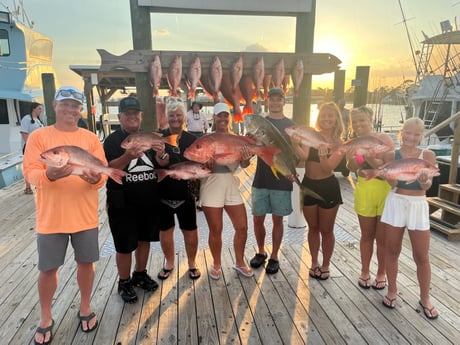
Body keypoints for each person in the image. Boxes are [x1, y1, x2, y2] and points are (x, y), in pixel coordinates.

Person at [23, 86, 106, 345]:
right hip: (51, 218)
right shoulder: (39, 136)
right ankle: (45, 317)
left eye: (75, 106)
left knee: (86, 263)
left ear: (81, 110)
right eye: (65, 104)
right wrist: (48, 175)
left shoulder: (91, 138)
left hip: (84, 215)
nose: (70, 110)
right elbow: (30, 171)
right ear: (54, 105)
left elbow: (101, 175)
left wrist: (95, 179)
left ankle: (84, 306)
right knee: (48, 269)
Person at [104, 96, 167, 303]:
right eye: (127, 114)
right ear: (120, 117)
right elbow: (110, 169)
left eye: (135, 113)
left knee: (144, 240)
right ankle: (124, 281)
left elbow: (160, 166)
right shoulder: (113, 141)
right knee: (124, 245)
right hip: (121, 201)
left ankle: (140, 274)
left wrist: (162, 155)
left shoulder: (148, 137)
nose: (132, 117)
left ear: (140, 116)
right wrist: (127, 156)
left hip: (148, 199)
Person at [380, 118, 438, 319]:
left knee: (422, 255)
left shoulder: (428, 155)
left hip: (418, 205)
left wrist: (423, 182)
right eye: (408, 133)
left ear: (422, 135)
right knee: (392, 250)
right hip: (396, 201)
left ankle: (425, 298)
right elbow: (391, 183)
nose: (411, 138)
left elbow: (426, 186)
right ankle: (392, 290)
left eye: (416, 134)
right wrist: (389, 178)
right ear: (401, 132)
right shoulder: (391, 154)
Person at [290, 102, 345, 280]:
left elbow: (328, 168)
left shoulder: (339, 144)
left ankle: (326, 264)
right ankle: (314, 261)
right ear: (318, 117)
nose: (326, 118)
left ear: (337, 119)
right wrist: (295, 144)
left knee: (326, 230)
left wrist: (322, 154)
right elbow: (304, 156)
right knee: (313, 228)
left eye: (330, 115)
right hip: (308, 185)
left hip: (327, 188)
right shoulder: (312, 135)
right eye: (323, 115)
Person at [200, 102, 253, 280]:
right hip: (211, 183)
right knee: (216, 230)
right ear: (213, 118)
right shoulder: (206, 139)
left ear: (229, 118)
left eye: (225, 115)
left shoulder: (236, 138)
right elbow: (197, 164)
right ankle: (216, 263)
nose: (222, 118)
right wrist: (205, 164)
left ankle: (239, 262)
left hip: (230, 182)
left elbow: (244, 165)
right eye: (219, 115)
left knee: (242, 226)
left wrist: (246, 158)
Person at [346, 106, 394, 290]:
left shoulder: (384, 139)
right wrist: (353, 159)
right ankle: (365, 271)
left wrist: (370, 157)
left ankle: (381, 273)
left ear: (370, 120)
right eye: (355, 122)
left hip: (384, 190)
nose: (359, 124)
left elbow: (388, 168)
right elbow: (351, 167)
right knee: (366, 236)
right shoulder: (353, 141)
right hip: (365, 189)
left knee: (382, 238)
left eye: (362, 120)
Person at [249, 87, 296, 274]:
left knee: (278, 220)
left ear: (284, 102)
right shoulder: (259, 123)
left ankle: (275, 255)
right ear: (267, 102)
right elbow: (250, 151)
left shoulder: (291, 125)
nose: (275, 103)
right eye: (272, 99)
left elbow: (295, 153)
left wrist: (292, 171)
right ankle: (261, 252)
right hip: (261, 178)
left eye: (279, 99)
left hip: (282, 180)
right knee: (257, 219)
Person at [157, 97, 201, 280]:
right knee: (166, 230)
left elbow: (199, 165)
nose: (175, 119)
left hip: (187, 192)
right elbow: (157, 162)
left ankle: (192, 263)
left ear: (185, 117)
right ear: (167, 117)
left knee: (190, 230)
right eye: (172, 115)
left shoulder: (193, 139)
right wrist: (161, 158)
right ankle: (169, 263)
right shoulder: (160, 137)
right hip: (163, 191)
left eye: (179, 115)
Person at [20, 102, 44, 194]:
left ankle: (38, 185)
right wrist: (30, 145)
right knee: (29, 165)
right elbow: (24, 133)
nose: (41, 111)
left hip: (38, 147)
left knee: (39, 165)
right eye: (39, 109)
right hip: (29, 147)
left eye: (41, 109)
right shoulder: (26, 119)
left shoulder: (38, 120)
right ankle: (28, 187)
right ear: (33, 109)